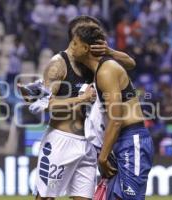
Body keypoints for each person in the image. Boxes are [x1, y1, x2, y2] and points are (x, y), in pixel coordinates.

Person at [19, 16, 136, 200]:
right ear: (76, 38)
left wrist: (109, 51)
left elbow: (130, 64)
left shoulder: (91, 59)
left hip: (88, 144)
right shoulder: (58, 65)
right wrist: (81, 99)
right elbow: (46, 105)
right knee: (45, 198)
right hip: (61, 141)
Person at [71, 25, 154, 200]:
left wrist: (102, 158)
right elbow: (131, 63)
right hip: (119, 141)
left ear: (86, 48)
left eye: (75, 43)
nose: (71, 47)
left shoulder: (106, 71)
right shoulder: (100, 70)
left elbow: (116, 120)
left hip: (132, 141)